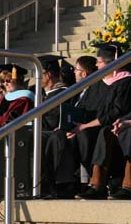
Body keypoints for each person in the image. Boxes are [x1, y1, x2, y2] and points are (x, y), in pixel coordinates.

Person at [41, 56, 105, 198]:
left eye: (76, 70)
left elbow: (91, 115)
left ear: (84, 74)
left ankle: (64, 183)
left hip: (88, 129)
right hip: (73, 129)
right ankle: (54, 184)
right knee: (54, 135)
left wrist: (76, 128)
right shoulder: (78, 91)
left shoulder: (95, 90)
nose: (72, 73)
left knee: (59, 136)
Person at [75, 43, 131, 199]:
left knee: (110, 132)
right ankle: (92, 184)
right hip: (109, 125)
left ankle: (121, 185)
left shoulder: (126, 81)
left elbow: (116, 111)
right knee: (95, 134)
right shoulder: (98, 83)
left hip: (120, 124)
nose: (96, 65)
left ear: (111, 64)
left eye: (99, 62)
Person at [38, 55, 68, 131]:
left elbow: (52, 122)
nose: (37, 77)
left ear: (48, 75)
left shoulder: (60, 94)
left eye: (39, 74)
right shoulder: (44, 94)